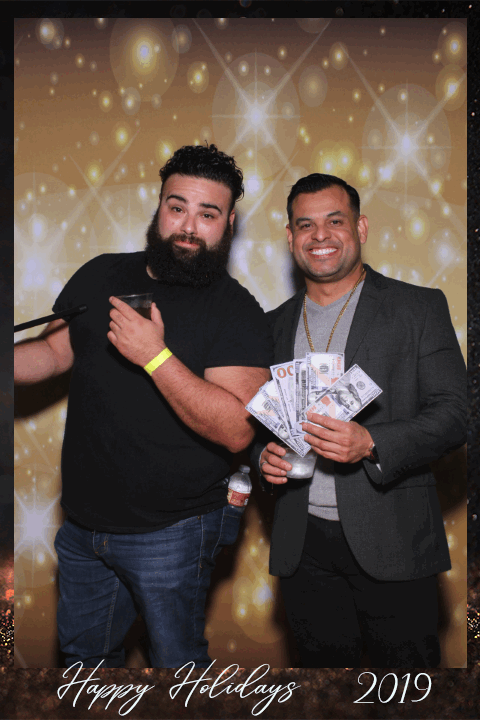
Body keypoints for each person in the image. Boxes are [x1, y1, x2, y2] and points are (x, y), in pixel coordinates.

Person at [15, 144, 272, 668]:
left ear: (227, 224)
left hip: (174, 532)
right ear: (159, 208)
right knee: (83, 664)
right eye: (177, 207)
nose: (188, 227)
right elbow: (51, 353)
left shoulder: (236, 309)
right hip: (83, 527)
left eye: (208, 214)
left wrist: (154, 356)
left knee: (177, 668)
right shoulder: (100, 275)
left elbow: (237, 429)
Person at [253, 172, 466, 668]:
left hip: (393, 539)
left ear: (361, 227)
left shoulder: (418, 307)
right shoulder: (271, 325)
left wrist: (372, 441)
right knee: (324, 694)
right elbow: (259, 425)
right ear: (290, 237)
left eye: (335, 221)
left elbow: (457, 413)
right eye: (305, 225)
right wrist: (262, 457)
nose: (320, 236)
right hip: (302, 547)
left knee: (407, 693)